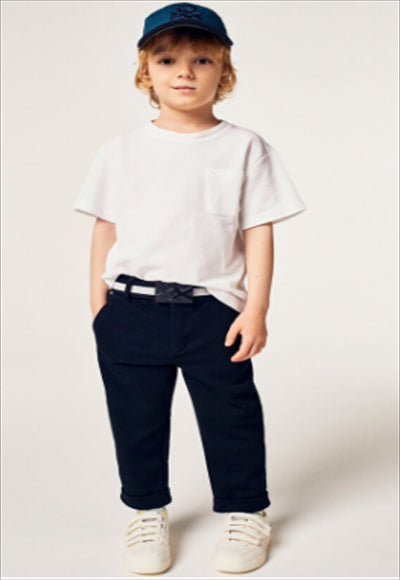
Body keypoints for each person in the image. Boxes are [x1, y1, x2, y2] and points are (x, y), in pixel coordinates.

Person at [73, 2, 307, 575]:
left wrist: (256, 308)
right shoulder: (120, 151)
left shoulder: (244, 147)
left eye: (202, 59)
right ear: (145, 71)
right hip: (131, 308)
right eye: (167, 59)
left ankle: (247, 511)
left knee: (232, 415)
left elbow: (258, 230)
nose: (185, 71)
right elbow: (105, 228)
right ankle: (147, 510)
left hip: (212, 311)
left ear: (223, 71)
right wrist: (100, 308)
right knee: (136, 417)